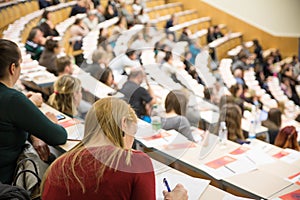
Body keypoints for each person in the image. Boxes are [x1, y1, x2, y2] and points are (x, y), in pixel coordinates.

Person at [41, 97, 188, 199]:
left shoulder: (57, 166)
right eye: (133, 134)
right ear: (124, 124)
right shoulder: (136, 163)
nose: (131, 145)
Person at [0, 39, 67, 184]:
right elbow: (59, 136)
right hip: (7, 181)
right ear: (13, 68)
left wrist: (33, 133)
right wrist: (51, 122)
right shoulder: (13, 99)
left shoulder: (13, 100)